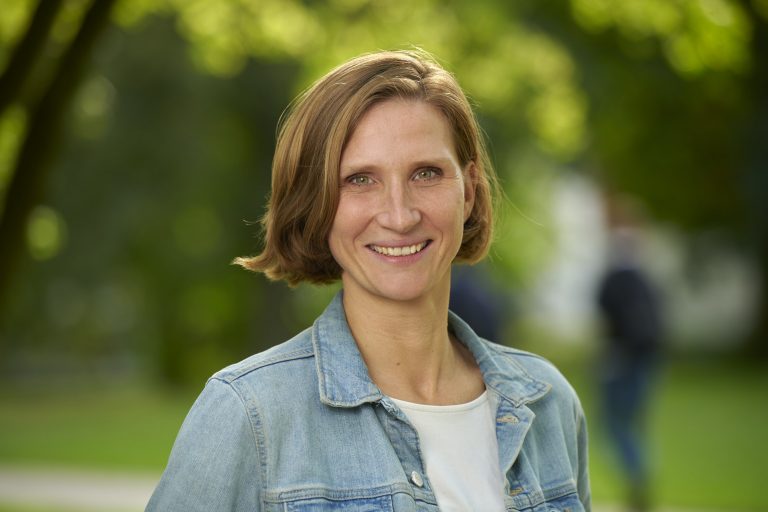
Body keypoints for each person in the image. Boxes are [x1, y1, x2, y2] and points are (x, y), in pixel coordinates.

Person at [146, 49, 590, 512]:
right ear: (316, 201)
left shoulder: (548, 404)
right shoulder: (250, 413)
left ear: (469, 189)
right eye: (360, 179)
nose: (399, 216)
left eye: (426, 173)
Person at [596, 195, 663, 512]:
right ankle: (638, 477)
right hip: (645, 357)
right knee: (630, 423)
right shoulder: (643, 275)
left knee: (615, 424)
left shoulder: (618, 275)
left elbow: (604, 309)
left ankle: (637, 479)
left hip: (622, 357)